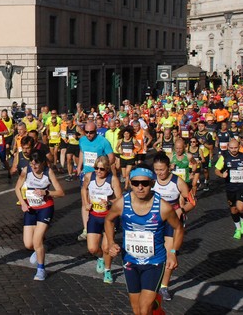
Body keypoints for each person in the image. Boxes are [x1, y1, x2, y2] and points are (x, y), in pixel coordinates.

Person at [105, 166, 184, 315]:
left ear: (152, 183)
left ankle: (153, 305)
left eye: (145, 183)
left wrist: (173, 252)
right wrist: (110, 242)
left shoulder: (163, 207)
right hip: (130, 260)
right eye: (135, 183)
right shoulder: (122, 203)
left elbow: (178, 228)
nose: (140, 187)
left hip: (154, 262)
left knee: (144, 308)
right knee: (137, 310)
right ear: (130, 183)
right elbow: (108, 220)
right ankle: (157, 309)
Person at [14, 150, 64, 281]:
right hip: (30, 208)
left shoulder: (49, 172)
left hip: (45, 208)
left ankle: (41, 269)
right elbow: (17, 188)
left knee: (36, 240)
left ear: (42, 163)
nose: (33, 167)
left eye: (36, 165)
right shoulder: (26, 171)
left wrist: (46, 192)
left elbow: (60, 192)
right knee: (28, 244)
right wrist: (23, 203)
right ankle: (41, 247)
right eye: (31, 164)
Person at [152, 153, 195, 301]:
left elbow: (192, 202)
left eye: (162, 170)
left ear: (169, 168)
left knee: (170, 253)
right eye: (156, 170)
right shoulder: (151, 180)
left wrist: (180, 210)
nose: (159, 173)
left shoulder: (178, 182)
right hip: (154, 221)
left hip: (172, 222)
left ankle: (164, 286)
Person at [81, 156, 122, 284]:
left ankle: (108, 270)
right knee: (92, 249)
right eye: (96, 168)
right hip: (94, 216)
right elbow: (84, 189)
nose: (98, 171)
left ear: (107, 169)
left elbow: (120, 199)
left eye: (102, 169)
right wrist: (86, 203)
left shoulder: (113, 179)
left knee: (106, 247)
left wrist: (109, 202)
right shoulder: (89, 176)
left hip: (109, 217)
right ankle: (100, 258)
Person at [77, 121, 114, 241]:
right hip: (86, 175)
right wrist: (79, 167)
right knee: (85, 202)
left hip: (100, 176)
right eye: (86, 132)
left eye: (91, 132)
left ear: (96, 131)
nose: (88, 135)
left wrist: (103, 169)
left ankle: (107, 225)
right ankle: (86, 229)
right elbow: (82, 152)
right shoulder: (82, 140)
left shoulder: (103, 141)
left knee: (102, 201)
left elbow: (111, 157)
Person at [214, 139, 243, 239]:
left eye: (235, 147)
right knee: (233, 209)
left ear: (239, 146)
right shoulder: (224, 157)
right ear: (228, 147)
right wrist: (222, 175)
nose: (233, 150)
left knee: (240, 207)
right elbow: (216, 170)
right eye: (231, 148)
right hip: (230, 187)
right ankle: (238, 229)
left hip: (242, 185)